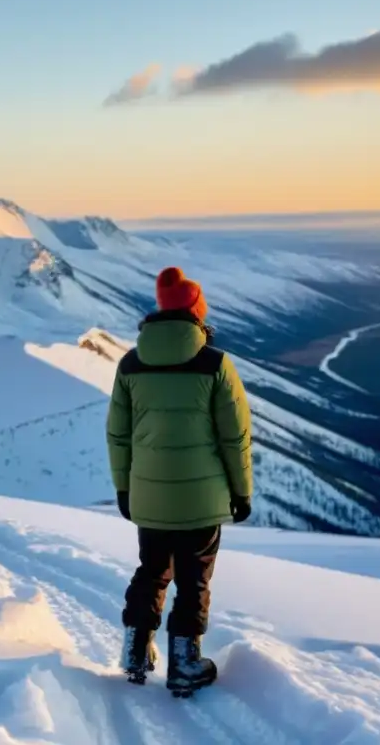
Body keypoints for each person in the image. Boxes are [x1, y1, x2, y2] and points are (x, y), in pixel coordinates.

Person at [106, 266, 253, 695]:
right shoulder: (215, 363)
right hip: (202, 500)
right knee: (194, 579)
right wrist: (241, 491)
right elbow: (235, 435)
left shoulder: (130, 364)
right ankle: (185, 662)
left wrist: (124, 488)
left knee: (152, 571)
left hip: (148, 497)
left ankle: (135, 650)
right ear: (196, 312)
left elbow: (118, 433)